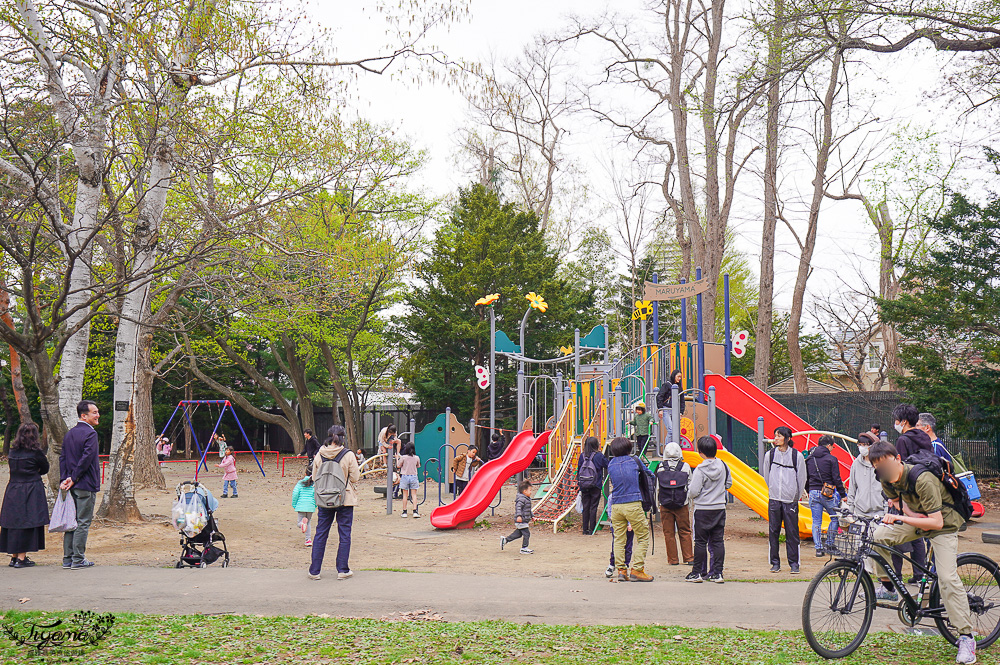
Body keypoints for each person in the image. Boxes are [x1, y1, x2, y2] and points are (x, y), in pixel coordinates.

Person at [867, 441, 977, 664]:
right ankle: (888, 587)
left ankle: (966, 637)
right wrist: (909, 515)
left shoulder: (923, 479)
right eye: (879, 469)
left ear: (897, 459)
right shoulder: (885, 479)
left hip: (943, 525)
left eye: (887, 465)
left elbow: (936, 522)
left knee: (946, 578)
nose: (884, 472)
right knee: (877, 536)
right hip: (919, 519)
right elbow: (898, 503)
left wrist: (904, 516)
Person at [309, 425, 360, 580]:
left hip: (324, 498)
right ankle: (342, 570)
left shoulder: (320, 454)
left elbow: (314, 477)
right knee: (344, 534)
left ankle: (315, 571)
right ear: (342, 437)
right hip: (344, 498)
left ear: (329, 437)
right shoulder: (348, 454)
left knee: (321, 533)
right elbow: (355, 477)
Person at [59, 400, 101, 570]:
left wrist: (65, 478)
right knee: (82, 521)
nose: (98, 415)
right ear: (84, 415)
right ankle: (78, 558)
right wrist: (74, 477)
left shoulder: (69, 434)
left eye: (97, 412)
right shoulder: (90, 434)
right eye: (94, 412)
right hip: (84, 484)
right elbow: (87, 458)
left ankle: (67, 558)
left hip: (71, 484)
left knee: (71, 522)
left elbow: (63, 458)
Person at [1, 423, 49, 568]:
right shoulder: (36, 452)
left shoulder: (13, 452)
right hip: (31, 488)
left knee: (15, 521)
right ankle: (21, 558)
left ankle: (14, 557)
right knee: (28, 521)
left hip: (14, 487)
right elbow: (45, 468)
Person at [607, 436, 654, 582]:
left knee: (619, 539)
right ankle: (637, 569)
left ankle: (621, 570)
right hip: (633, 503)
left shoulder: (611, 464)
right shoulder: (634, 460)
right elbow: (650, 475)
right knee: (643, 536)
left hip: (616, 505)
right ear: (629, 448)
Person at [686, 436, 732, 584]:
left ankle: (697, 572)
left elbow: (693, 491)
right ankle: (717, 573)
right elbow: (729, 484)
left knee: (700, 542)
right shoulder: (724, 466)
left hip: (703, 509)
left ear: (701, 452)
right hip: (719, 508)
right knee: (718, 541)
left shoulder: (700, 469)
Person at [890, 404, 932, 571]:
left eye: (897, 420)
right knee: (918, 536)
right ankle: (919, 574)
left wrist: (893, 496)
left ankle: (895, 579)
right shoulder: (924, 437)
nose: (895, 423)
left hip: (907, 494)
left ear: (904, 422)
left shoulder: (903, 440)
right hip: (924, 490)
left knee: (894, 537)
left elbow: (900, 469)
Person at [762, 426, 806, 574]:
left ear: (787, 438)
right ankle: (775, 563)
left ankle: (794, 564)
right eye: (775, 435)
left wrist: (795, 495)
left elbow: (802, 478)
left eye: (779, 436)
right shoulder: (770, 455)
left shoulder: (797, 456)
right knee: (773, 531)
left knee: (792, 532)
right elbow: (766, 476)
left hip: (790, 500)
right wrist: (773, 490)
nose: (776, 438)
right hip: (774, 499)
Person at [806, 435, 847, 556]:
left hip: (813, 491)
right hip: (827, 493)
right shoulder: (831, 459)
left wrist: (809, 490)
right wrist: (843, 493)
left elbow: (806, 477)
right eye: (832, 447)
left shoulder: (809, 459)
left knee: (816, 521)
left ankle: (819, 549)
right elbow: (836, 478)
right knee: (835, 517)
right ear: (828, 445)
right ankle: (829, 544)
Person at [656, 442, 693, 566]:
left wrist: (658, 504)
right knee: (685, 531)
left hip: (665, 504)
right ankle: (689, 558)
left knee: (669, 533)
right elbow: (690, 486)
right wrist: (689, 504)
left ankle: (673, 559)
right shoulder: (686, 467)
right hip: (682, 504)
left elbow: (657, 488)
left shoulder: (661, 466)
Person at [577, 436, 608, 535]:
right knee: (593, 506)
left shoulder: (582, 456)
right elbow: (607, 465)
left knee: (586, 506)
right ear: (596, 445)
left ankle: (585, 529)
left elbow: (579, 470)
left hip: (584, 484)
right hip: (595, 484)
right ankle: (592, 529)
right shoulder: (599, 456)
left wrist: (579, 483)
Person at [500, 480, 534, 554]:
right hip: (521, 520)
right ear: (525, 491)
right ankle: (524, 548)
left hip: (524, 519)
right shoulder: (521, 499)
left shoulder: (526, 499)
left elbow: (527, 509)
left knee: (518, 534)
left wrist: (532, 516)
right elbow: (518, 508)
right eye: (530, 490)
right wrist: (519, 516)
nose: (531, 492)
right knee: (526, 533)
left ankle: (505, 540)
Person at [656, 369, 685, 444]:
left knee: (676, 430)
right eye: (678, 376)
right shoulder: (667, 385)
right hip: (666, 409)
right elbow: (660, 396)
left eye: (680, 377)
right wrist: (660, 409)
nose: (679, 378)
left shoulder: (679, 387)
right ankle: (668, 448)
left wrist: (681, 412)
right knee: (671, 430)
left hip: (675, 410)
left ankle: (674, 447)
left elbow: (682, 400)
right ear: (674, 376)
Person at [397, 441, 421, 518]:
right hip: (413, 476)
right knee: (414, 495)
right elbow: (418, 465)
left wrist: (397, 458)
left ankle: (404, 511)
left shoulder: (403, 457)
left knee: (405, 495)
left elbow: (398, 465)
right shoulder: (416, 457)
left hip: (405, 476)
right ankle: (415, 511)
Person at [291, 475, 316, 547]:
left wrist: (294, 504)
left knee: (299, 522)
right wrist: (315, 505)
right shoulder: (315, 483)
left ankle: (302, 524)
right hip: (310, 506)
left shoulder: (300, 483)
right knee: (308, 522)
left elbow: (295, 494)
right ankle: (308, 540)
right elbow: (316, 495)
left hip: (301, 505)